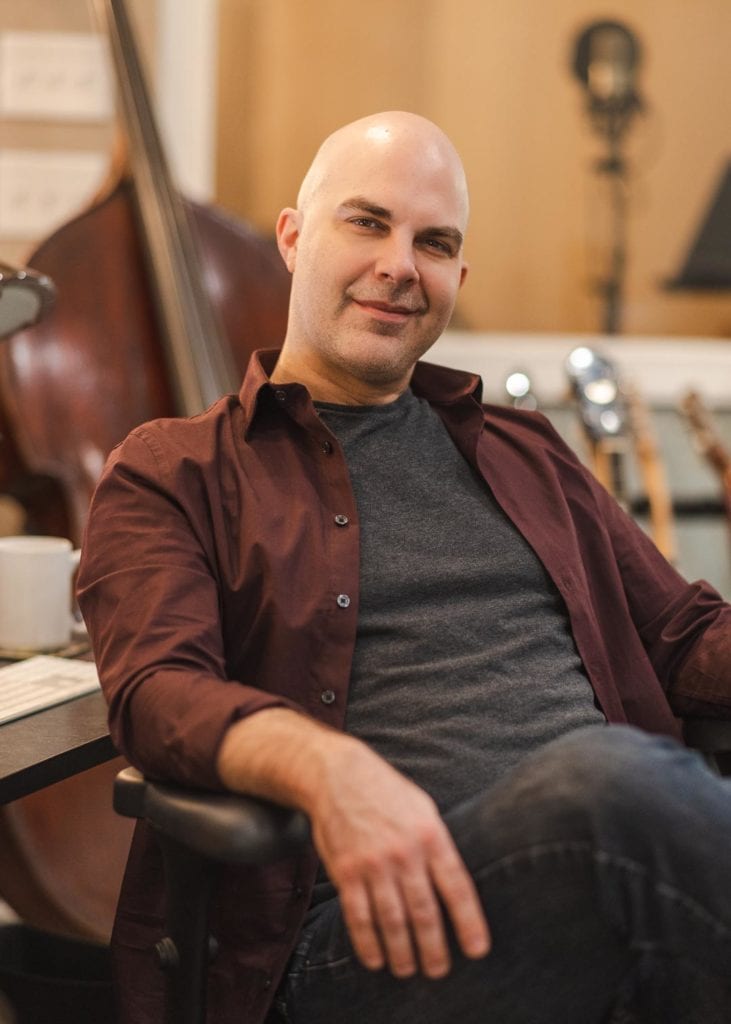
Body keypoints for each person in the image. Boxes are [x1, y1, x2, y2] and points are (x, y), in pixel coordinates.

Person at [77, 111, 731, 1024]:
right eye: (366, 222)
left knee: (623, 792)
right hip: (365, 943)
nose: (399, 264)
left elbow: (686, 635)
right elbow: (155, 690)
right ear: (293, 237)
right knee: (613, 786)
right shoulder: (175, 469)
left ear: (457, 278)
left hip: (621, 896)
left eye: (434, 242)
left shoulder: (525, 451)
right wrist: (327, 770)